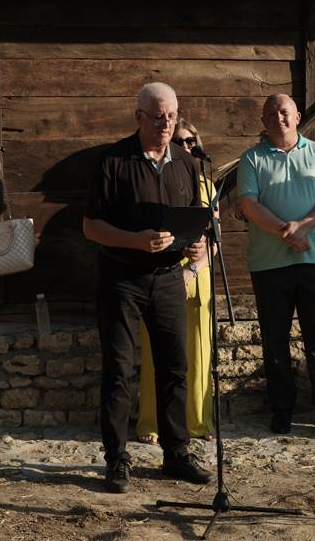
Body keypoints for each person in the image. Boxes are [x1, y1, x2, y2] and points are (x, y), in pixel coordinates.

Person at [83, 83, 213, 494]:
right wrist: (136, 239)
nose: (166, 123)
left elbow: (198, 221)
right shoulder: (113, 160)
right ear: (138, 116)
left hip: (170, 278)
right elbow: (91, 226)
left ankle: (176, 454)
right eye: (157, 116)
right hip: (122, 277)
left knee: (175, 367)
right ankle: (117, 460)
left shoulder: (187, 164)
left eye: (172, 115)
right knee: (120, 371)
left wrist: (197, 244)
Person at [237, 94, 315, 435]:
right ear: (263, 121)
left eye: (284, 111)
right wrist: (284, 233)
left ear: (297, 116)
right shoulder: (252, 159)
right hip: (269, 264)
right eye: (271, 113)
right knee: (275, 341)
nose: (278, 117)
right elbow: (248, 205)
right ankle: (282, 410)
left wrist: (300, 227)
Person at [135, 118, 215, 444]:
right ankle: (151, 424)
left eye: (190, 142)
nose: (185, 147)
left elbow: (215, 239)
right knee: (157, 354)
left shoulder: (206, 185)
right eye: (179, 142)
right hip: (159, 276)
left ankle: (198, 423)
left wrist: (196, 264)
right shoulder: (154, 181)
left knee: (199, 353)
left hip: (198, 275)